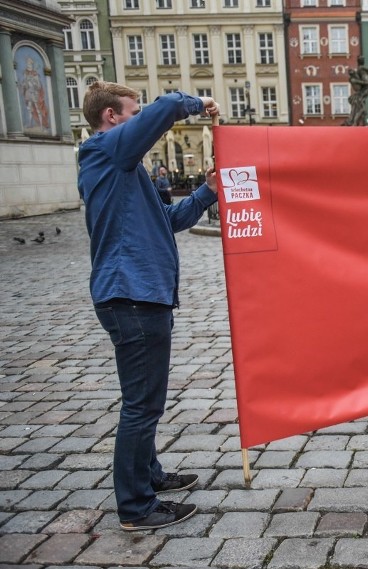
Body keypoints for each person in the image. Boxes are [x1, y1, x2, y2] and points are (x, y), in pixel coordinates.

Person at [77, 81, 220, 531]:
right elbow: (167, 107)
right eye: (132, 113)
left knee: (147, 402)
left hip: (141, 293)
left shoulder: (126, 168)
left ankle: (150, 475)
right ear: (111, 118)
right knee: (141, 405)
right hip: (132, 294)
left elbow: (170, 220)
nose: (139, 118)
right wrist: (198, 103)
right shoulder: (106, 151)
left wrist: (208, 189)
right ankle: (136, 506)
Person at [343, 56, 368, 126]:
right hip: (363, 91)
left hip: (364, 91)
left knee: (360, 108)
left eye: (352, 71)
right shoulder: (354, 78)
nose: (352, 72)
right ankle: (355, 122)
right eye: (351, 72)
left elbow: (363, 81)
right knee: (360, 108)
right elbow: (364, 82)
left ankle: (355, 122)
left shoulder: (359, 72)